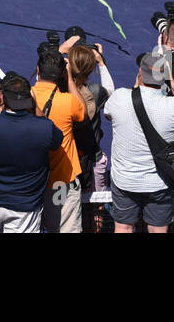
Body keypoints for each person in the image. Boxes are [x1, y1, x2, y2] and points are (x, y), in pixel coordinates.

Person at [102, 52, 174, 232]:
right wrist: (172, 83)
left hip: (125, 181)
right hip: (159, 184)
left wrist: (137, 84)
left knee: (123, 228)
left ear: (139, 73)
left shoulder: (119, 97)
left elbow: (108, 114)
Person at [0, 72, 63, 232]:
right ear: (30, 99)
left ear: (2, 98)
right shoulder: (44, 129)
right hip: (25, 208)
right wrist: (35, 105)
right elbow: (56, 139)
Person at [30, 35, 87, 233]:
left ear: (38, 71)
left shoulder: (25, 98)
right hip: (60, 184)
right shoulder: (68, 101)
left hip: (32, 184)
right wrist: (69, 77)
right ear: (61, 74)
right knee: (62, 226)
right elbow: (83, 110)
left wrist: (58, 51)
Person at [67, 38, 113, 227]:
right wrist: (101, 63)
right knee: (96, 207)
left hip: (67, 165)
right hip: (93, 160)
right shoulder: (96, 91)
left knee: (66, 206)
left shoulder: (61, 92)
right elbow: (111, 92)